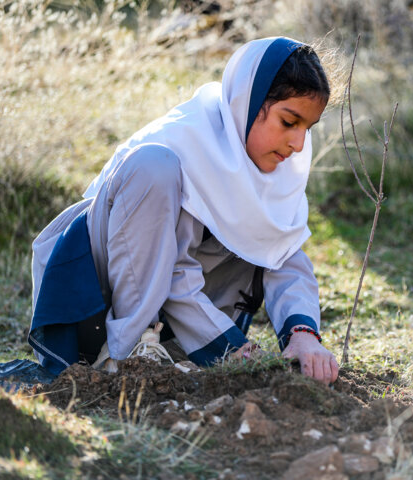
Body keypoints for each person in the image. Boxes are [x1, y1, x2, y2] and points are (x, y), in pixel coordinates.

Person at [27, 37, 339, 384]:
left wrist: (303, 333)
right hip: (94, 317)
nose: (298, 145)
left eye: (306, 130)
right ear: (247, 102)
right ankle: (127, 355)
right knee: (152, 165)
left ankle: (163, 355)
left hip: (183, 338)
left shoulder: (278, 177)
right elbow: (173, 269)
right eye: (288, 121)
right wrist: (229, 347)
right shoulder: (180, 145)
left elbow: (286, 257)